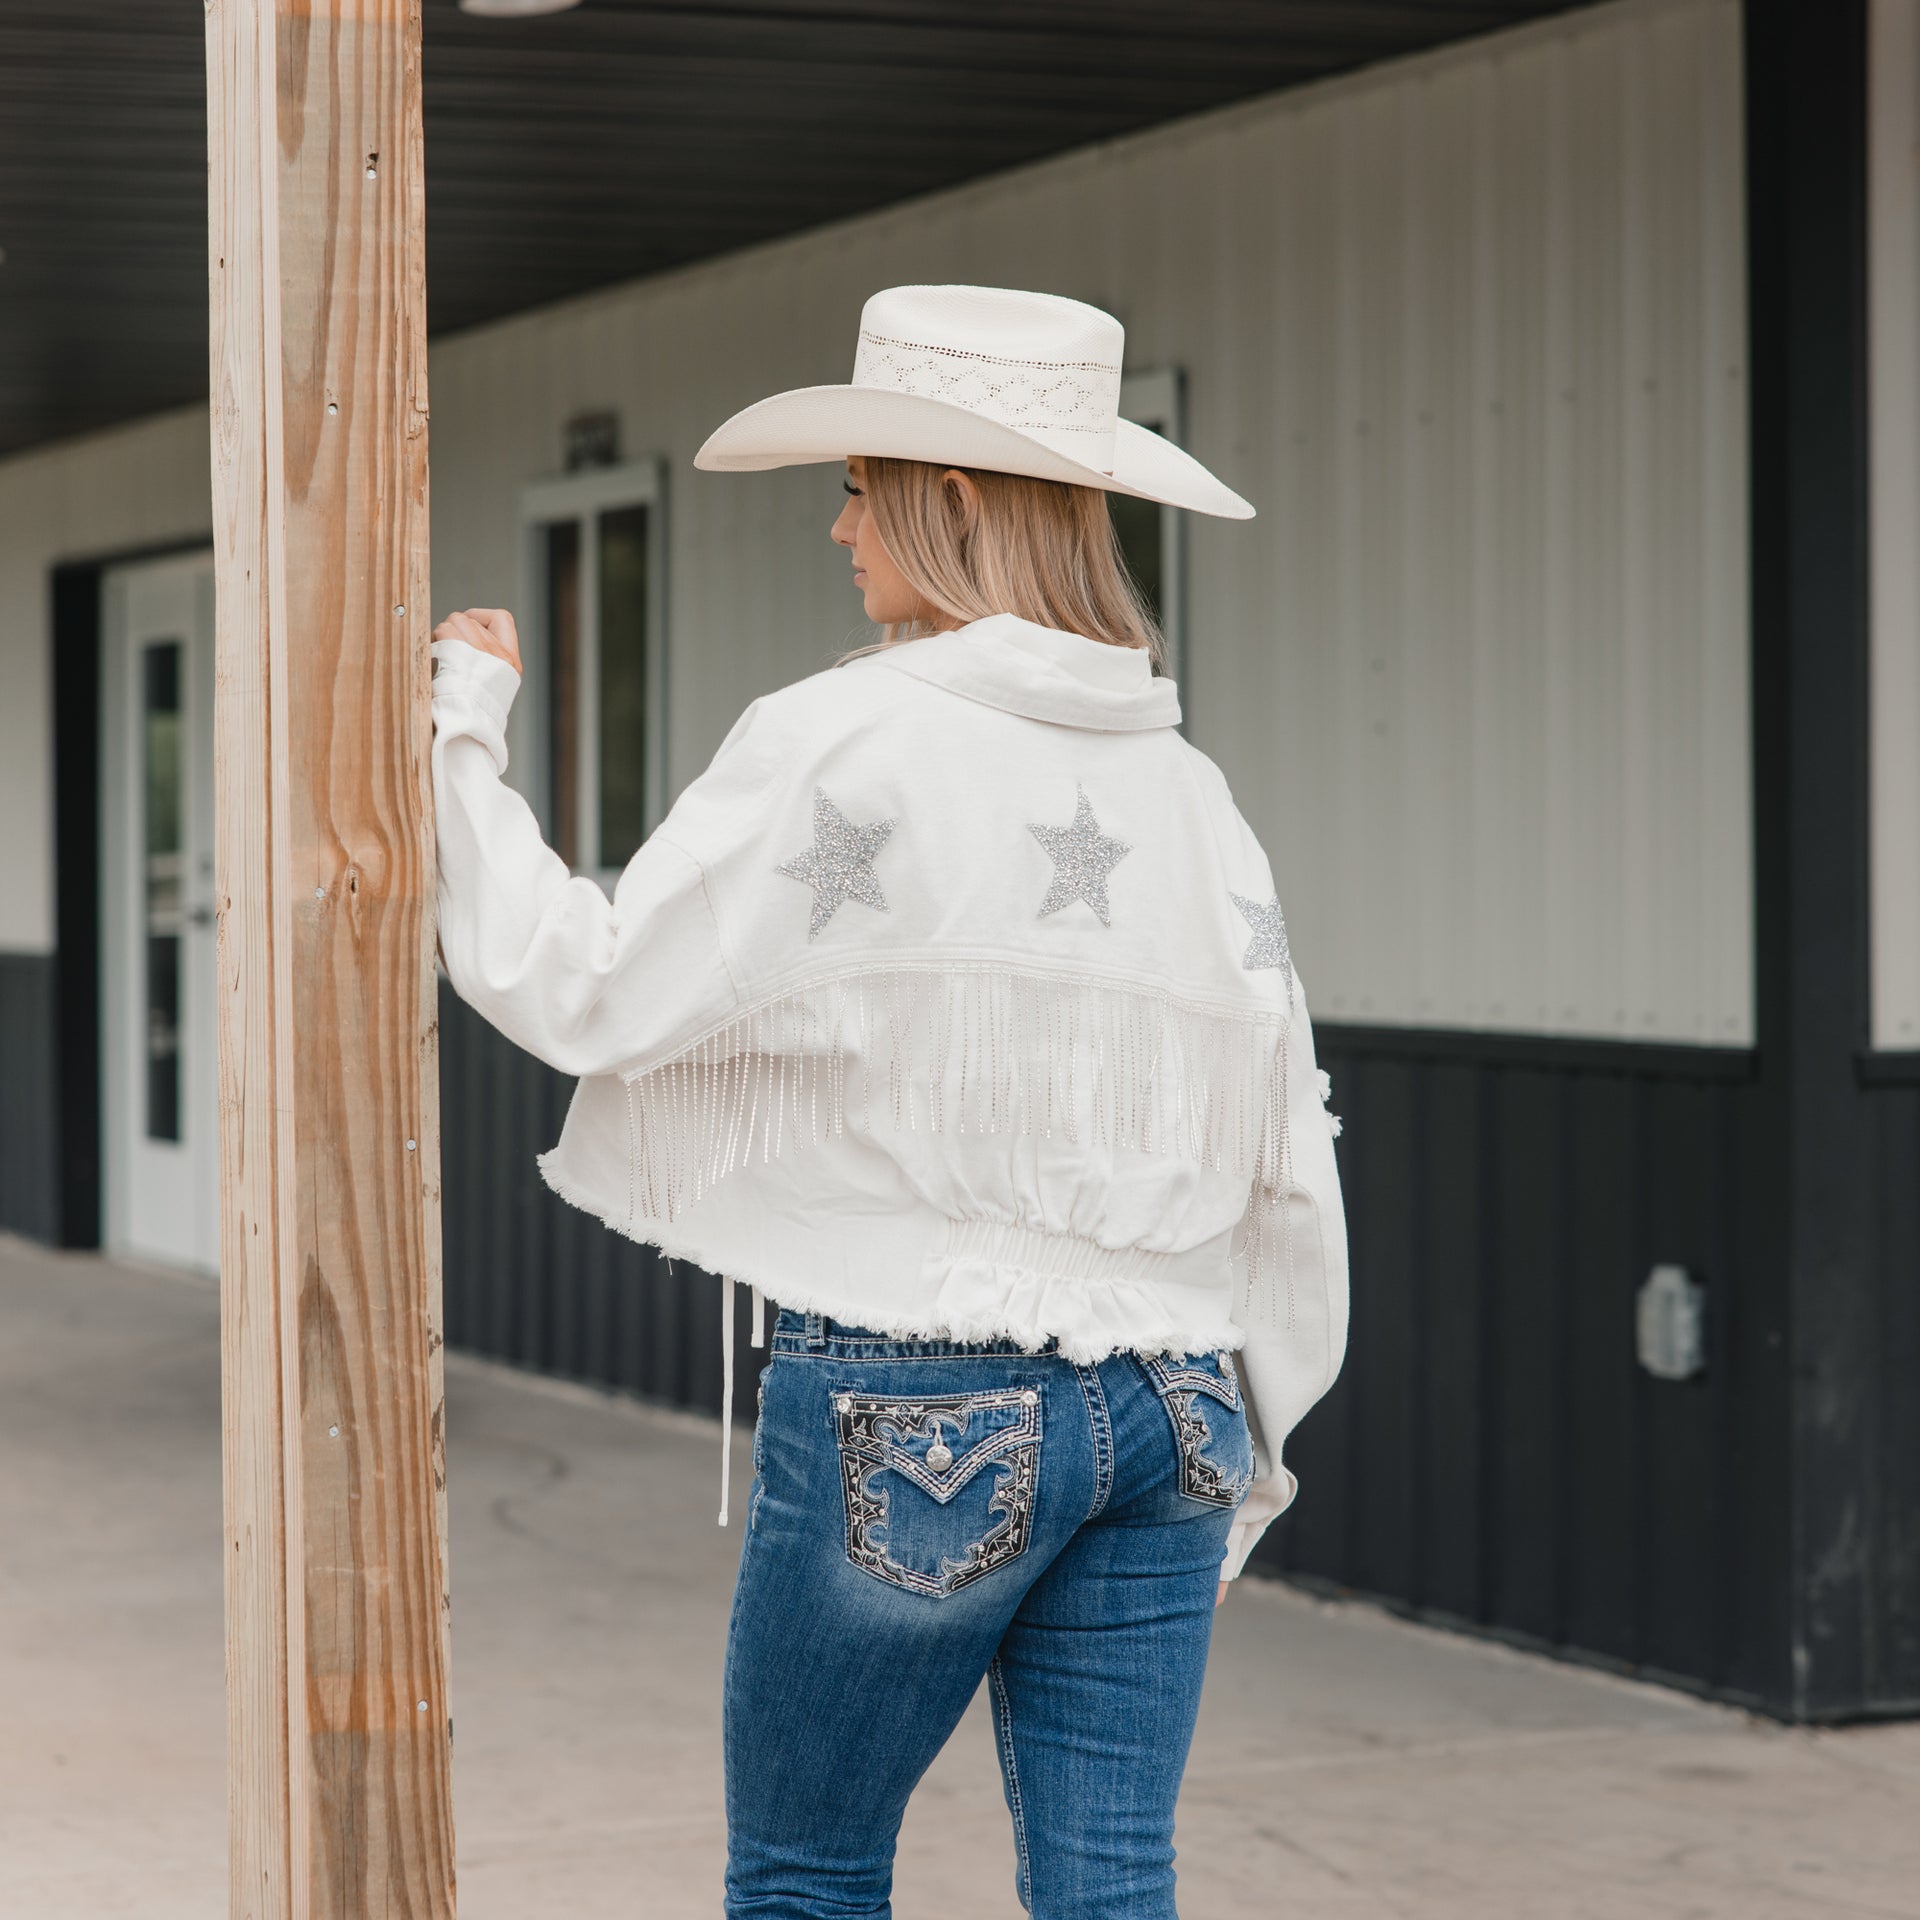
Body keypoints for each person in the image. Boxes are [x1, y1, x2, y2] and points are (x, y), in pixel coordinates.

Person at [430, 284, 1348, 1920]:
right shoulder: (1195, 797)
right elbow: (1286, 1141)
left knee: (807, 1874)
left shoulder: (843, 736)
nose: (840, 528)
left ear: (962, 503)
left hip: (922, 1400)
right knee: (1112, 1880)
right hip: (1177, 1405)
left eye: (859, 484)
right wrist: (1255, 1432)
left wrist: (461, 746)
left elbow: (594, 988)